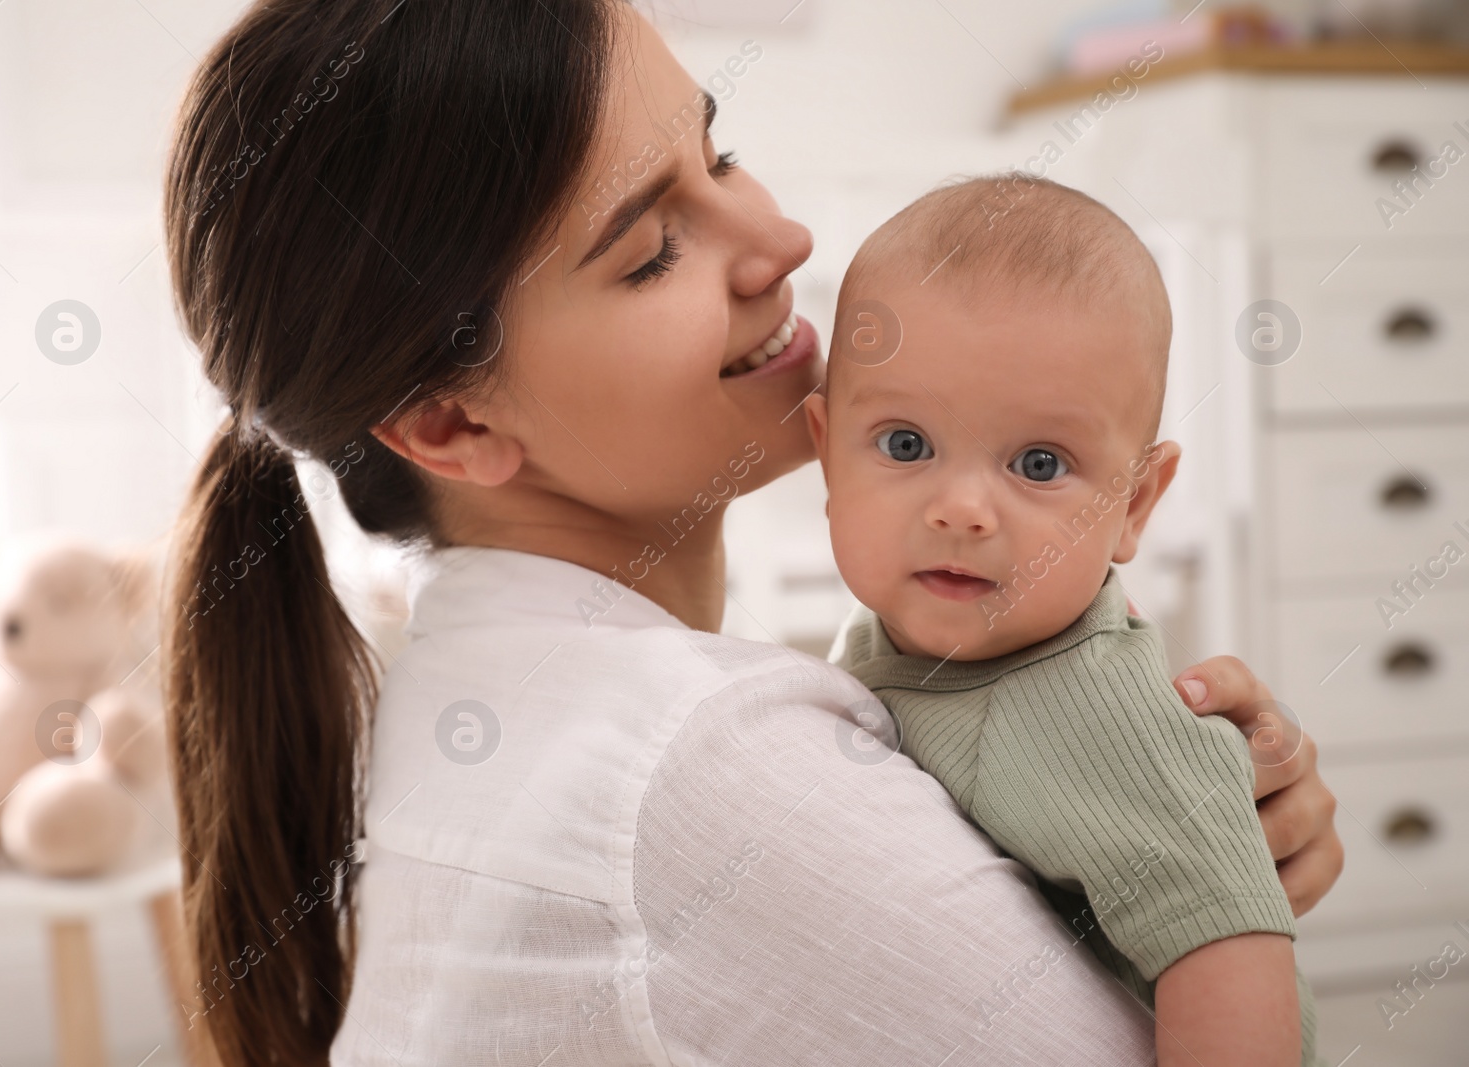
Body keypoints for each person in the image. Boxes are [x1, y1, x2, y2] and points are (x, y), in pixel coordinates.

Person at [159, 2, 1343, 1064]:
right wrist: (1205, 913)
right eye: (650, 252)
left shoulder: (488, 688)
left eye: (718, 154)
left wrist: (1163, 841)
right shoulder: (698, 767)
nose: (781, 241)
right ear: (451, 423)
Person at [811, 176, 1316, 1066]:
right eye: (905, 444)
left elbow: (1230, 944)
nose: (961, 509)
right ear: (826, 456)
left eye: (1039, 463)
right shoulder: (894, 631)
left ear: (1134, 504)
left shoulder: (1092, 711)